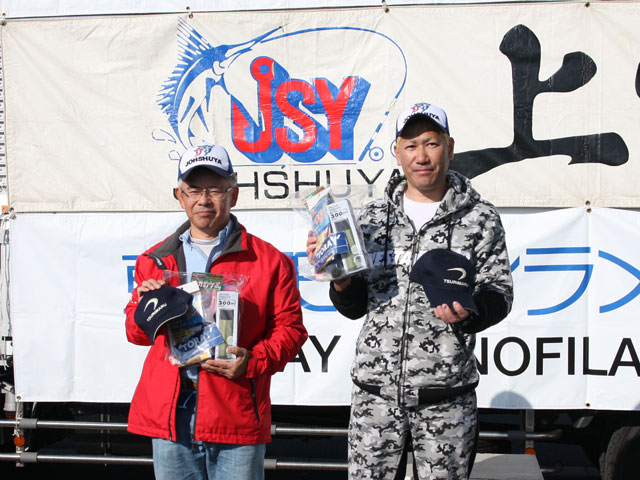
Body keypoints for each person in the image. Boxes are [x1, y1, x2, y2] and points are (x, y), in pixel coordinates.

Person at [307, 102, 513, 479]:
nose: (422, 156)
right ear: (397, 152)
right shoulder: (372, 217)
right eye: (411, 145)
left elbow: (499, 292)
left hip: (446, 398)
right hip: (375, 398)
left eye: (431, 143)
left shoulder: (480, 218)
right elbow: (354, 305)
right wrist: (339, 276)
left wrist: (471, 313)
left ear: (449, 148)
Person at [125, 143, 307, 480]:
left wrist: (252, 361)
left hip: (235, 414)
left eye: (215, 190)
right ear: (180, 196)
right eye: (194, 190)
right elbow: (136, 334)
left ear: (233, 195)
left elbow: (291, 331)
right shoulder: (153, 261)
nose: (204, 200)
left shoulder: (270, 261)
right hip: (171, 416)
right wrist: (145, 306)